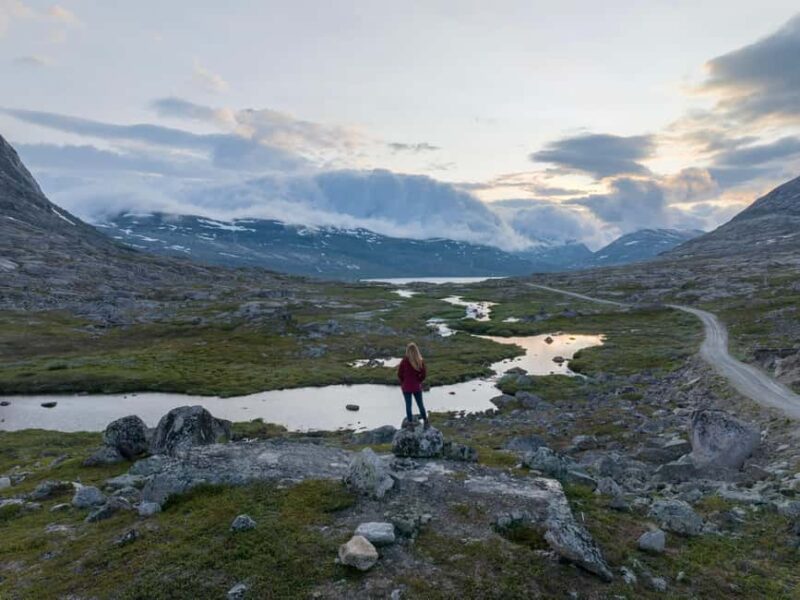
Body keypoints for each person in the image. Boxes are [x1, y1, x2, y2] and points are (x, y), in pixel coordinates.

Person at [397, 342, 429, 429]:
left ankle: (410, 424)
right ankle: (426, 421)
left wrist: (403, 382)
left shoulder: (404, 361)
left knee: (408, 406)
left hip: (406, 387)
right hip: (416, 387)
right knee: (420, 405)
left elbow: (399, 374)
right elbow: (424, 374)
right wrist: (419, 381)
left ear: (407, 351)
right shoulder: (419, 361)